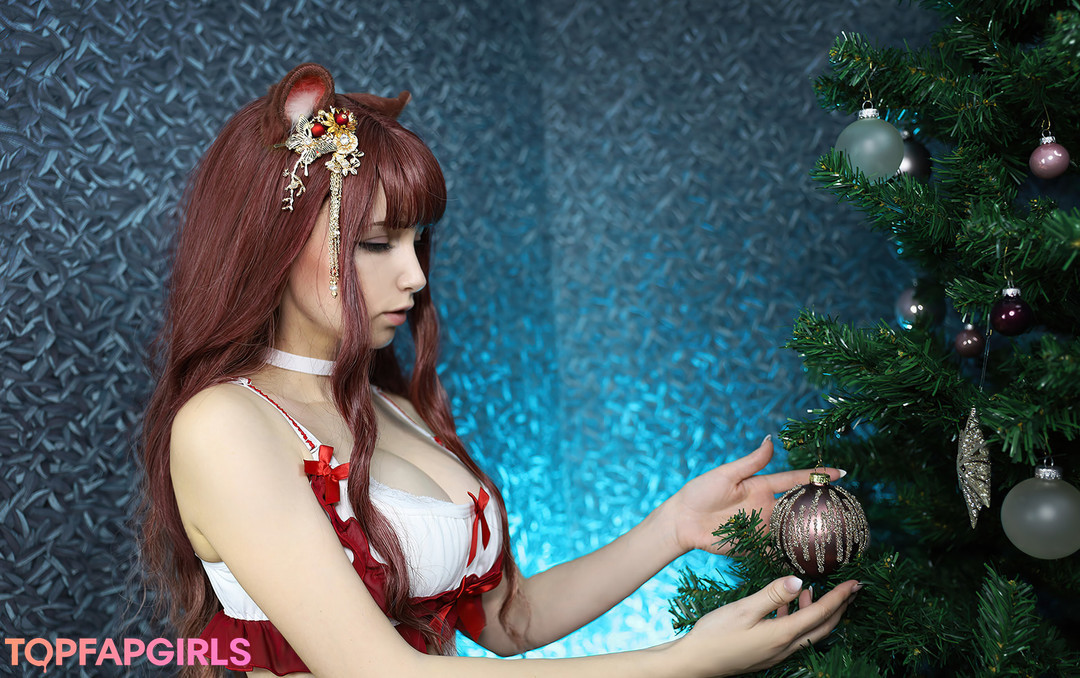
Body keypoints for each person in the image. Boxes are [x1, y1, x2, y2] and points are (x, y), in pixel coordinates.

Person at [139, 62, 860, 678]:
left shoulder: (393, 408)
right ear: (275, 238)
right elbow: (380, 670)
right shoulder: (225, 425)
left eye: (418, 243)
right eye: (377, 243)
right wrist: (681, 661)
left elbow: (513, 621)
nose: (415, 277)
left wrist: (672, 528)